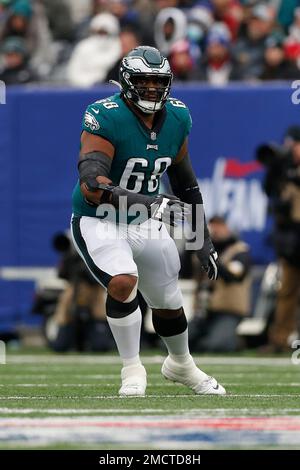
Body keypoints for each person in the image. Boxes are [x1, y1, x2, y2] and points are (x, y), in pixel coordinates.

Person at [71, 45, 225, 396]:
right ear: (126, 82)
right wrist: (153, 203)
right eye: (145, 82)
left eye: (159, 82)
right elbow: (92, 184)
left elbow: (185, 181)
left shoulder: (177, 117)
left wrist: (202, 236)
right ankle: (132, 368)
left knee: (169, 300)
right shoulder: (105, 115)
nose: (153, 89)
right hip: (101, 217)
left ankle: (181, 365)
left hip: (144, 220)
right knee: (124, 281)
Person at [189, 216, 252, 352]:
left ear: (227, 228)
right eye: (213, 227)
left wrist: (211, 259)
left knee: (218, 346)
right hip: (203, 310)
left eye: (220, 226)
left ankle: (234, 341)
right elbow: (184, 270)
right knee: (172, 343)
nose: (216, 231)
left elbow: (233, 276)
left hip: (228, 311)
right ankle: (206, 339)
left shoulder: (240, 251)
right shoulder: (202, 251)